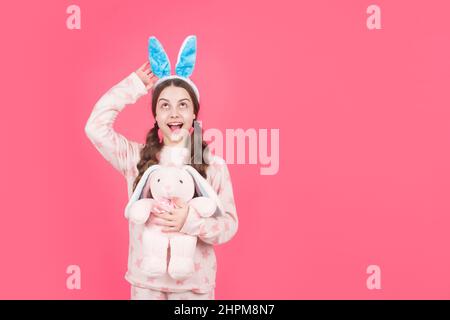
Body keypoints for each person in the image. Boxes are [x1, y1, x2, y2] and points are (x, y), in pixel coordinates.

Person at [84, 61, 238, 300]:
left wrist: (190, 221)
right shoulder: (135, 158)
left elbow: (228, 225)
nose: (174, 113)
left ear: (194, 114)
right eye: (165, 105)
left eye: (183, 105)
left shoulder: (214, 167)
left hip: (194, 288)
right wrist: (134, 86)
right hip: (146, 285)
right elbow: (95, 127)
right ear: (156, 114)